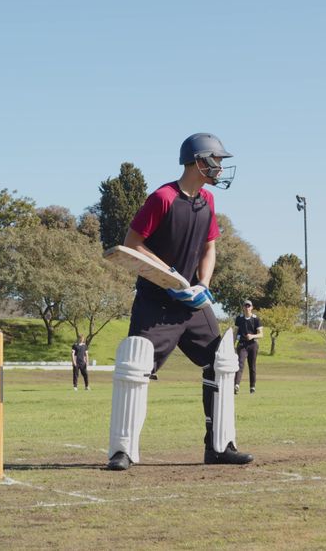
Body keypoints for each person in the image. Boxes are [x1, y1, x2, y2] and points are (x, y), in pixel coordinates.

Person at [106, 132, 253, 471]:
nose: (219, 168)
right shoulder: (162, 198)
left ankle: (220, 446)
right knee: (136, 366)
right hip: (156, 303)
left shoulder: (208, 202)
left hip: (192, 305)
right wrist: (170, 275)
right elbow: (132, 243)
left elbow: (210, 246)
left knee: (222, 360)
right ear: (200, 161)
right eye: (216, 161)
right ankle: (122, 451)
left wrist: (202, 284)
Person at [234, 300, 263, 394]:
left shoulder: (256, 319)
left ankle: (252, 387)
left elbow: (261, 334)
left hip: (253, 344)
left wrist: (252, 336)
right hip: (242, 344)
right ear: (243, 307)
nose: (247, 308)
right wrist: (232, 344)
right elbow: (235, 332)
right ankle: (236, 385)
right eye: (245, 306)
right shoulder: (239, 318)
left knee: (252, 366)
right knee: (240, 364)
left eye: (248, 306)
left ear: (252, 307)